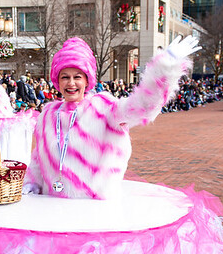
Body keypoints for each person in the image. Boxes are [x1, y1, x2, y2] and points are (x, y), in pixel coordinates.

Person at [24, 36, 199, 199]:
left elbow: (142, 107)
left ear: (87, 80)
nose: (71, 83)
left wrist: (164, 69)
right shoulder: (47, 115)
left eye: (77, 77)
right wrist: (32, 182)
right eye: (65, 77)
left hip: (94, 213)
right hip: (53, 209)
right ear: (57, 81)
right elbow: (38, 158)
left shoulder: (104, 108)